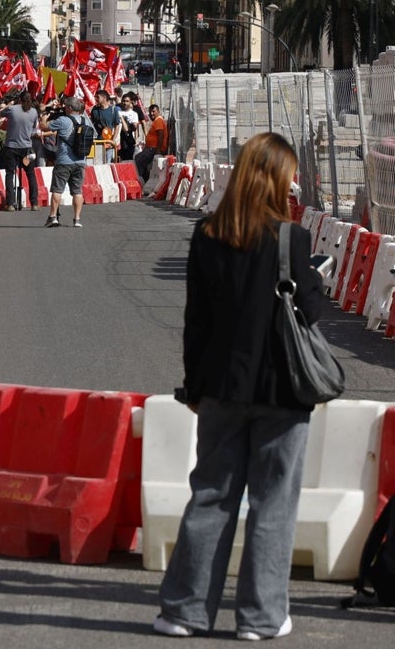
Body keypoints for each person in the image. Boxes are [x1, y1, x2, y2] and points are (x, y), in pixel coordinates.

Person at [154, 132, 329, 640]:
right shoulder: (291, 239)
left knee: (210, 497)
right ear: (276, 179)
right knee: (273, 504)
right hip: (282, 392)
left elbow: (196, 322)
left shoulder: (207, 235)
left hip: (221, 389)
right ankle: (260, 617)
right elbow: (312, 312)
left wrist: (193, 388)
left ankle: (184, 611)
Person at [41, 95, 90, 228]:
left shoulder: (63, 120)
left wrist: (45, 115)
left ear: (69, 108)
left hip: (64, 160)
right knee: (77, 191)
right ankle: (77, 219)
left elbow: (44, 127)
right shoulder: (85, 120)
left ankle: (52, 217)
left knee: (57, 190)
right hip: (80, 161)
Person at [0, 90, 40, 211]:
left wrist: (9, 104)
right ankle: (34, 203)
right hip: (26, 148)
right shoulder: (34, 112)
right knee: (31, 174)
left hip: (11, 147)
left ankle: (10, 203)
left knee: (10, 174)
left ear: (19, 99)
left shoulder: (12, 109)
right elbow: (34, 129)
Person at [136, 103, 170, 184]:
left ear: (158, 112)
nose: (151, 114)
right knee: (143, 162)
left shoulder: (158, 120)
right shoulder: (157, 121)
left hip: (153, 148)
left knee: (138, 159)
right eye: (150, 112)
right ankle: (146, 180)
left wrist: (158, 150)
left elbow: (160, 135)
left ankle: (142, 181)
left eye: (153, 111)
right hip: (151, 148)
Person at [88, 89, 122, 164]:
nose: (96, 99)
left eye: (98, 97)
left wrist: (113, 140)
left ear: (104, 98)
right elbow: (92, 125)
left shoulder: (113, 110)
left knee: (107, 162)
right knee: (97, 162)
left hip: (108, 142)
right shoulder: (95, 110)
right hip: (98, 142)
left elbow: (117, 125)